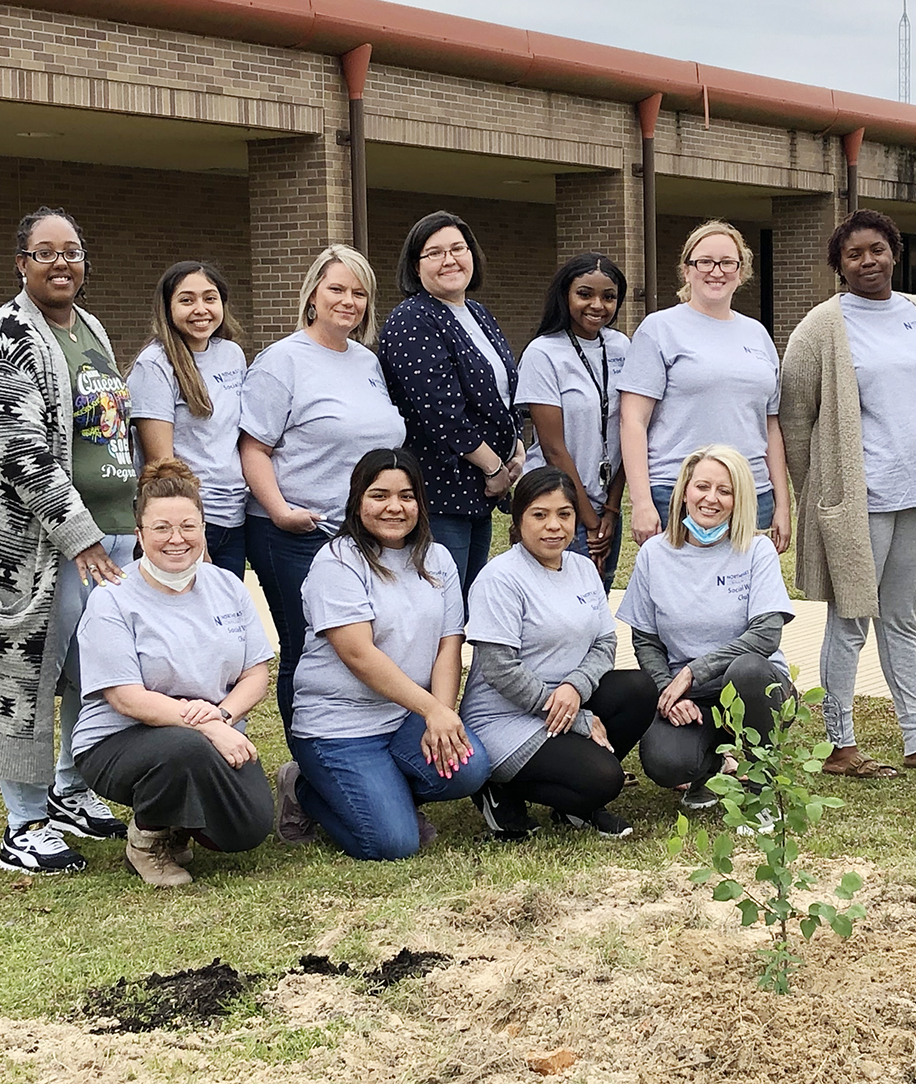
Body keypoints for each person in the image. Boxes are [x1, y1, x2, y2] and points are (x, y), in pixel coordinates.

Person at [0, 206, 136, 876]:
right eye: (46, 253)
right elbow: (20, 453)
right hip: (27, 549)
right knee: (23, 676)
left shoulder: (88, 326)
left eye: (71, 251)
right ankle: (24, 823)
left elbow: (106, 427)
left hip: (109, 531)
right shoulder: (7, 336)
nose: (61, 263)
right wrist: (80, 538)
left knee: (86, 670)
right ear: (21, 263)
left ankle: (69, 791)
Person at [781, 209, 916, 779]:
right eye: (854, 254)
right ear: (838, 266)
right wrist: (819, 492)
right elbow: (794, 418)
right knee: (851, 617)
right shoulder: (821, 326)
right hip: (859, 498)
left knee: (903, 616)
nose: (867, 261)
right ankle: (839, 744)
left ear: (895, 252)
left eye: (877, 249)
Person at [276, 448, 490, 857]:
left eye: (406, 496)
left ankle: (386, 793)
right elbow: (358, 654)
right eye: (379, 495)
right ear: (358, 500)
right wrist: (431, 711)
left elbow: (449, 642)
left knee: (469, 769)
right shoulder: (337, 562)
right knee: (393, 843)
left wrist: (441, 714)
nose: (395, 506)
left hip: (404, 718)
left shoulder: (438, 558)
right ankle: (305, 790)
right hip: (340, 727)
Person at [72, 459, 275, 887]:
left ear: (203, 529)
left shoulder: (227, 586)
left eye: (188, 526)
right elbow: (126, 698)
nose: (176, 539)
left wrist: (220, 720)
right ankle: (147, 842)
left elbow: (256, 673)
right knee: (185, 749)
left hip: (209, 731)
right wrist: (209, 730)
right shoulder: (112, 599)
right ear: (139, 535)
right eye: (161, 528)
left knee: (248, 829)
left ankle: (180, 823)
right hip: (116, 742)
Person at [240, 245, 406, 729]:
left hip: (360, 536)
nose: (348, 301)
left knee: (356, 646)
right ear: (312, 294)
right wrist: (280, 511)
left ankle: (351, 743)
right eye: (336, 289)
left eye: (359, 293)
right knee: (307, 646)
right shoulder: (282, 361)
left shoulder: (366, 362)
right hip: (297, 532)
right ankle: (307, 765)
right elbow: (254, 448)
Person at [459, 466, 657, 840]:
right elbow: (501, 669)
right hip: (506, 717)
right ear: (518, 520)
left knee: (639, 688)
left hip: (564, 700)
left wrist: (575, 689)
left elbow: (605, 643)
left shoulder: (583, 568)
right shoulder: (499, 578)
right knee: (605, 779)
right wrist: (575, 717)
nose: (554, 526)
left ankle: (572, 808)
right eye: (540, 515)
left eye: (564, 514)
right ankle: (498, 789)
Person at [617, 445, 795, 809]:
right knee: (667, 764)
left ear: (738, 499)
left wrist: (693, 672)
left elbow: (765, 635)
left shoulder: (756, 550)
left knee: (748, 670)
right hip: (690, 697)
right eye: (702, 487)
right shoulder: (654, 554)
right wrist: (669, 690)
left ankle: (760, 787)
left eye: (724, 491)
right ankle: (711, 769)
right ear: (684, 491)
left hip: (750, 685)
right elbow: (646, 640)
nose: (711, 499)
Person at [618, 221, 791, 551]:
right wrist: (641, 502)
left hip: (752, 494)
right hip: (679, 491)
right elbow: (632, 420)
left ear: (741, 272)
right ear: (686, 270)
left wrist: (782, 503)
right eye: (705, 262)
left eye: (728, 262)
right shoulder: (659, 329)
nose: (717, 271)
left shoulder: (758, 335)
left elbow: (770, 426)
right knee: (684, 597)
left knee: (742, 596)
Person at [378, 211, 525, 600]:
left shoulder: (475, 312)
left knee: (466, 607)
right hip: (440, 490)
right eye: (435, 253)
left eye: (458, 248)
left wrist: (516, 448)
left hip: (478, 489)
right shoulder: (412, 320)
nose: (450, 260)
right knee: (440, 607)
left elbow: (502, 392)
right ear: (415, 265)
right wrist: (494, 466)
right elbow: (442, 412)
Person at [518, 254, 631, 591]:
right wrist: (590, 520)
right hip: (556, 504)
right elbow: (554, 449)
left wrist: (611, 509)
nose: (597, 305)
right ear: (565, 296)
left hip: (605, 504)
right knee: (556, 610)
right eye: (584, 294)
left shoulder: (622, 346)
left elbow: (630, 429)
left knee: (594, 609)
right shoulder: (543, 353)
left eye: (608, 296)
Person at [128, 261, 248, 577]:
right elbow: (161, 465)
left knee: (225, 619)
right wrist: (192, 532)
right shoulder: (154, 365)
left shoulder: (232, 354)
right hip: (187, 524)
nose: (200, 309)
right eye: (187, 300)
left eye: (210, 298)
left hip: (233, 516)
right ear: (167, 307)